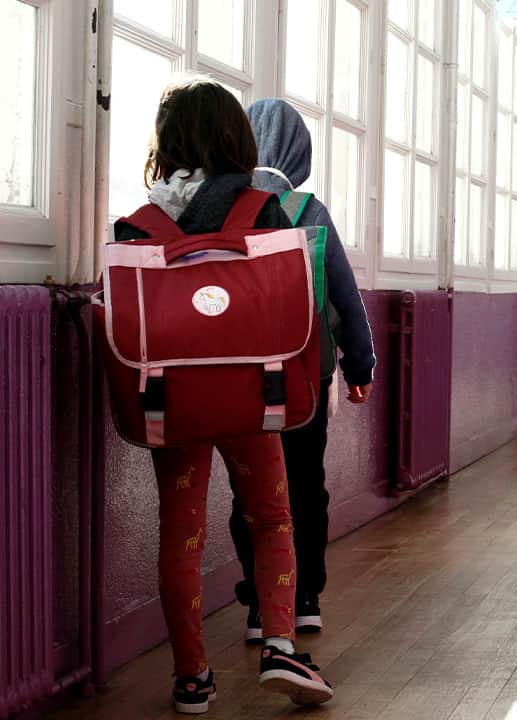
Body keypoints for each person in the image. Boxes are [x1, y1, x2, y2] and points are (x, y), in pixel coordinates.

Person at [113, 77, 334, 713]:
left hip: (170, 401)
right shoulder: (263, 212)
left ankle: (192, 679)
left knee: (180, 532)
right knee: (270, 517)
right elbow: (297, 304)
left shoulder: (138, 224)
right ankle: (281, 645)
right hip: (251, 393)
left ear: (168, 141)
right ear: (237, 138)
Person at [228, 97, 376, 642]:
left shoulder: (224, 206)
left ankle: (257, 604)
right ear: (299, 151)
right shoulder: (308, 209)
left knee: (250, 491)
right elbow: (345, 294)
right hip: (303, 375)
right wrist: (359, 365)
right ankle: (305, 596)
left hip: (237, 377)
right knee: (304, 485)